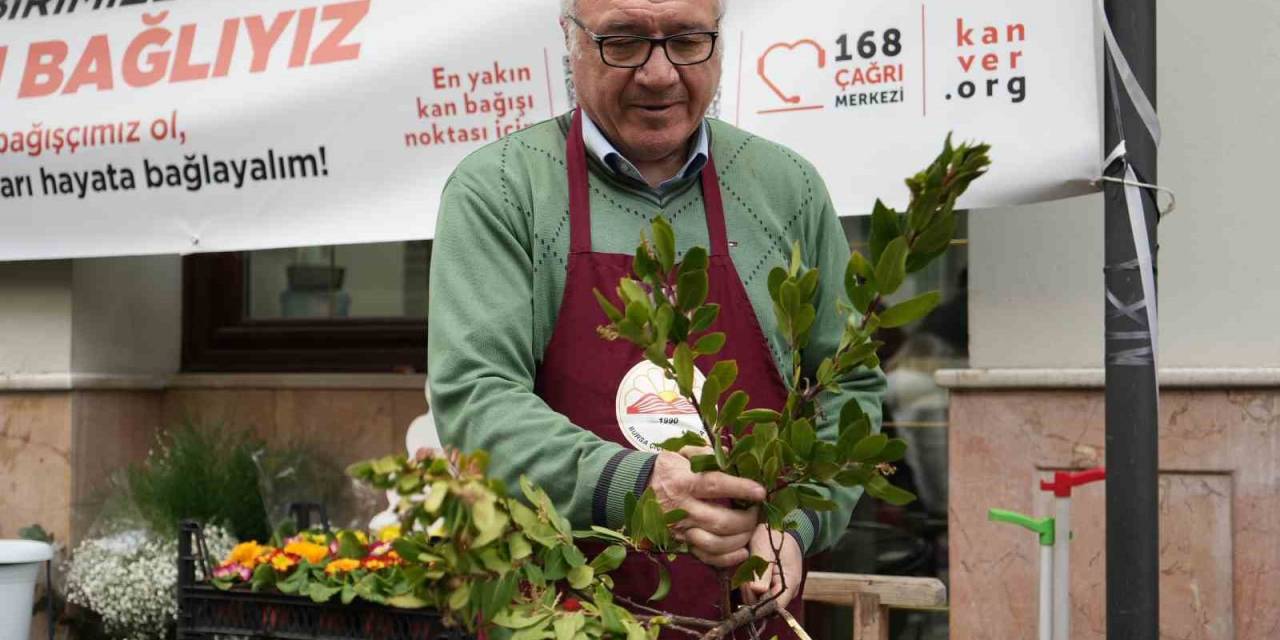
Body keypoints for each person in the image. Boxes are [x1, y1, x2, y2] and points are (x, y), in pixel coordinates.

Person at [428, 0, 886, 633]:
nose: (660, 72)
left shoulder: (788, 189)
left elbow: (847, 387)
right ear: (571, 41)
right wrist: (638, 483)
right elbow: (475, 401)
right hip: (554, 612)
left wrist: (796, 524)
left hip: (750, 612)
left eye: (686, 39)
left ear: (719, 41)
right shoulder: (503, 190)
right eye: (624, 41)